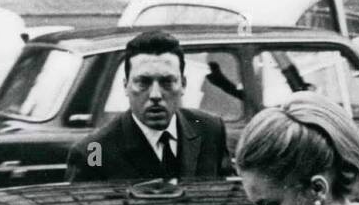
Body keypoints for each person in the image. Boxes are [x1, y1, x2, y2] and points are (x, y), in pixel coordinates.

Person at [66, 30, 233, 183]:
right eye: (143, 82)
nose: (155, 95)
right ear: (125, 86)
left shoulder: (211, 130)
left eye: (167, 82)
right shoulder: (94, 150)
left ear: (183, 85)